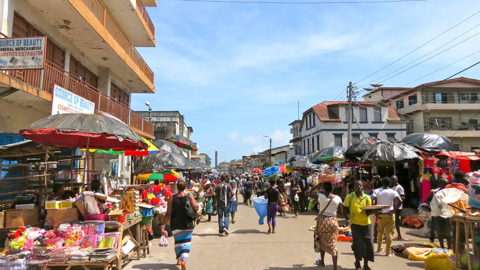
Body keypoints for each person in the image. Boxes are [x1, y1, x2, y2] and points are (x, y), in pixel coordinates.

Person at [306, 182, 343, 270]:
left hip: (322, 221)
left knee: (321, 240)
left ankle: (322, 261)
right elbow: (341, 211)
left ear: (323, 188)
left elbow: (306, 193)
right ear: (332, 188)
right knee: (333, 243)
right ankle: (334, 267)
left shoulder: (320, 196)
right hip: (333, 222)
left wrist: (316, 186)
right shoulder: (337, 198)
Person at [165, 179, 199, 270]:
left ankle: (180, 259)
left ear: (177, 187)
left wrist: (163, 225)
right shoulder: (189, 196)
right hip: (187, 223)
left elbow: (168, 213)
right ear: (185, 187)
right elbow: (196, 207)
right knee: (186, 243)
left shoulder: (172, 198)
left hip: (175, 224)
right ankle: (183, 260)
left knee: (178, 243)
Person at [344, 180, 374, 270]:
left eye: (360, 185)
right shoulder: (349, 197)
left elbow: (368, 212)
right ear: (354, 187)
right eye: (357, 185)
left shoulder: (367, 198)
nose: (359, 187)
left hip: (367, 224)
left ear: (363, 187)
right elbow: (345, 209)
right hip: (355, 224)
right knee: (358, 244)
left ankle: (366, 264)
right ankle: (357, 262)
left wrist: (375, 210)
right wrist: (347, 219)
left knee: (368, 244)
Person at [372, 177, 402, 256]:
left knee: (380, 231)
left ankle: (379, 248)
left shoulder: (377, 191)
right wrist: (394, 210)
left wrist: (375, 209)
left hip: (380, 214)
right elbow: (400, 201)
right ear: (390, 184)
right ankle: (388, 252)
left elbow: (373, 199)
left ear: (382, 183)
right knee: (389, 233)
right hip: (390, 214)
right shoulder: (393, 192)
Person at [427, 178, 452, 248]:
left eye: (447, 184)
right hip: (437, 215)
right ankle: (442, 247)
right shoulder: (435, 192)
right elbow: (427, 199)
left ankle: (449, 248)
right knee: (439, 232)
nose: (446, 185)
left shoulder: (450, 192)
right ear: (440, 184)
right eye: (444, 184)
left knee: (449, 232)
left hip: (447, 215)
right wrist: (432, 206)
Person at [391, 175, 405, 240]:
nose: (393, 181)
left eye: (394, 179)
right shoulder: (393, 187)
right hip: (393, 206)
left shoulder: (399, 188)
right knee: (392, 221)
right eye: (392, 180)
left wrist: (397, 199)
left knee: (396, 221)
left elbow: (403, 197)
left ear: (397, 180)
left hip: (398, 207)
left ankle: (399, 235)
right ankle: (391, 233)